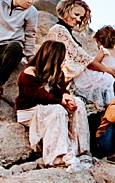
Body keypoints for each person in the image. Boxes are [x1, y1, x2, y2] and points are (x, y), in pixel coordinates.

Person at [15, 40, 90, 168]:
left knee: (78, 103)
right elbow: (37, 96)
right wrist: (61, 101)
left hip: (49, 105)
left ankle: (80, 148)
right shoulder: (29, 73)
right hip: (30, 110)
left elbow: (61, 90)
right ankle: (56, 155)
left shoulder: (57, 73)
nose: (63, 61)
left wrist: (66, 97)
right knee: (58, 110)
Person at [44, 0, 115, 106]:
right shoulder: (58, 30)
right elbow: (83, 59)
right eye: (76, 14)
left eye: (81, 17)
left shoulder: (66, 31)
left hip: (73, 77)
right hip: (65, 78)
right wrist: (108, 70)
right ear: (66, 10)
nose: (78, 19)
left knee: (108, 81)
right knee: (107, 80)